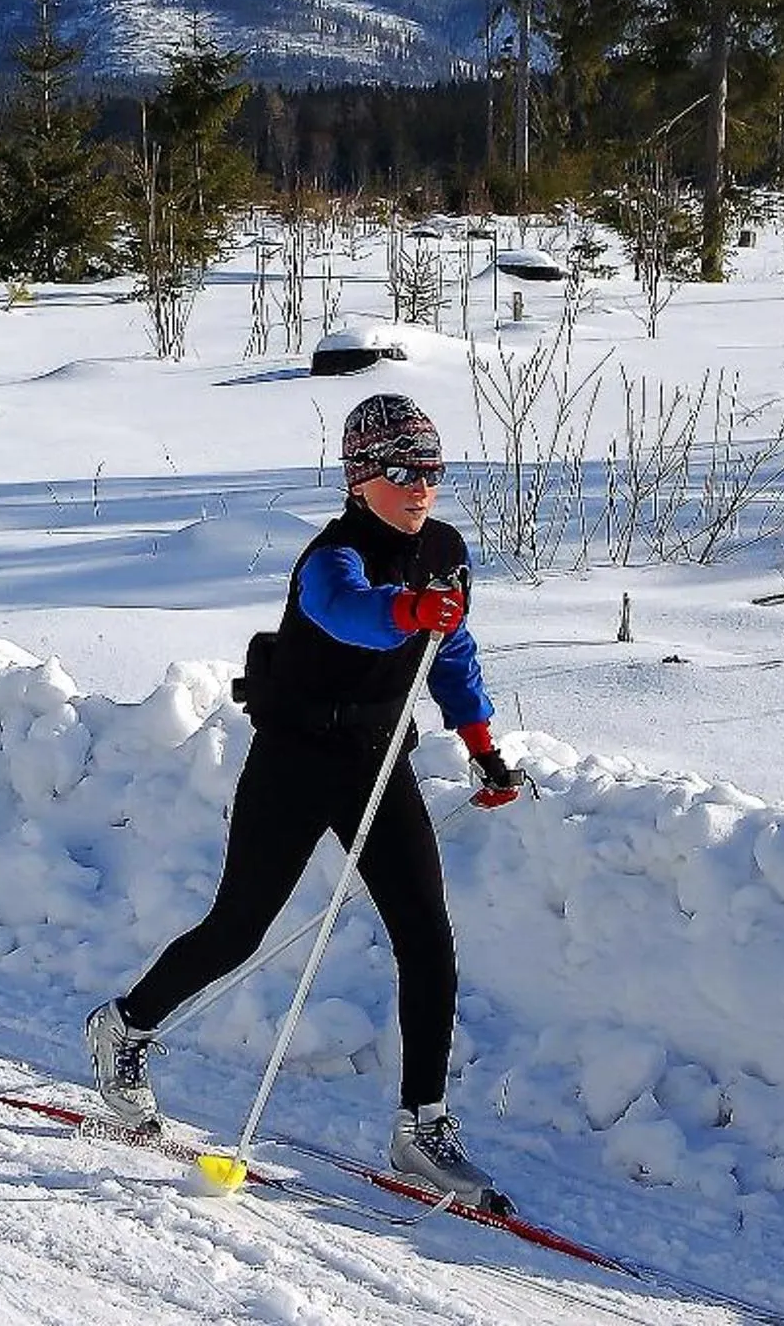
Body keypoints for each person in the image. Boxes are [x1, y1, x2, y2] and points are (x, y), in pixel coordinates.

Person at [83, 393, 532, 1211]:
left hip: (376, 760)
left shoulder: (444, 548)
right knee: (238, 926)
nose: (419, 485)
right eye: (400, 470)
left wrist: (481, 747)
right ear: (361, 477)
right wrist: (407, 609)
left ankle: (420, 1124)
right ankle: (125, 1026)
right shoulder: (332, 555)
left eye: (430, 468)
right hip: (294, 759)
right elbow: (349, 614)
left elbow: (452, 650)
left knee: (426, 935)